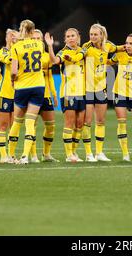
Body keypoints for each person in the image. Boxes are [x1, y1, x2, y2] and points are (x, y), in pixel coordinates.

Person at [45, 28, 90, 163]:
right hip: (68, 92)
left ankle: (74, 151)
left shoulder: (83, 51)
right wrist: (50, 46)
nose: (70, 38)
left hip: (82, 92)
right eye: (68, 36)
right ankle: (69, 154)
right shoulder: (63, 52)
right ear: (65, 39)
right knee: (69, 123)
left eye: (73, 36)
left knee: (80, 124)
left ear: (78, 37)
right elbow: (54, 61)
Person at [81, 23, 124, 162]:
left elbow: (120, 48)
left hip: (101, 88)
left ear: (102, 35)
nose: (92, 37)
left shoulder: (108, 46)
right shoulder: (86, 47)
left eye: (95, 34)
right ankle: (88, 154)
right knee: (87, 122)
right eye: (91, 34)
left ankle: (99, 152)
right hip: (87, 89)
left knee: (100, 121)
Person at [7, 19, 46, 165]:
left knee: (17, 122)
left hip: (22, 86)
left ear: (21, 29)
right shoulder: (40, 44)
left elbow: (14, 71)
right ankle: (25, 156)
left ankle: (10, 156)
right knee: (30, 122)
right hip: (38, 86)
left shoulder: (16, 47)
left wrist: (12, 80)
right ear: (33, 30)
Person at [108, 33, 132, 162]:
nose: (128, 45)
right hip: (120, 92)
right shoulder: (120, 54)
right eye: (127, 43)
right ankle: (125, 153)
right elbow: (108, 61)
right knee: (121, 122)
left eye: (131, 43)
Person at [29, 29, 59, 163]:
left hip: (45, 95)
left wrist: (54, 94)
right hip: (31, 95)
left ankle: (46, 154)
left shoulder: (47, 57)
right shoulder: (26, 56)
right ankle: (33, 155)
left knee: (51, 126)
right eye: (33, 38)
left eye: (38, 39)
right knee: (32, 126)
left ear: (42, 41)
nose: (36, 41)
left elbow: (50, 77)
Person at [0, 29, 18, 163]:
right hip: (3, 94)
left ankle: (12, 155)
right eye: (10, 35)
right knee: (3, 125)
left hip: (17, 94)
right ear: (6, 37)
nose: (13, 37)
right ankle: (3, 156)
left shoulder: (19, 51)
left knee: (14, 126)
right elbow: (11, 60)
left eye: (15, 35)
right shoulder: (3, 52)